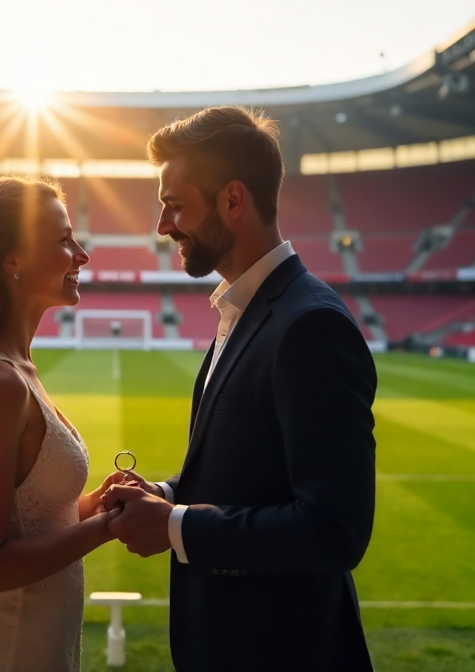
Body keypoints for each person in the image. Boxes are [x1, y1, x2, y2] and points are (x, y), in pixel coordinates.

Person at [102, 106, 379, 671]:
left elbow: (333, 530)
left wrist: (173, 527)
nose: (163, 226)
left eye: (175, 205)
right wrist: (167, 494)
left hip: (283, 652)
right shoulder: (246, 310)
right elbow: (253, 473)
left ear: (233, 200)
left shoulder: (309, 325)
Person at [0, 176, 130, 671]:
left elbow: (29, 519)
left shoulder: (15, 369)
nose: (82, 254)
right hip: (1, 653)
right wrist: (106, 527)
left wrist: (93, 506)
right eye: (63, 239)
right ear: (11, 260)